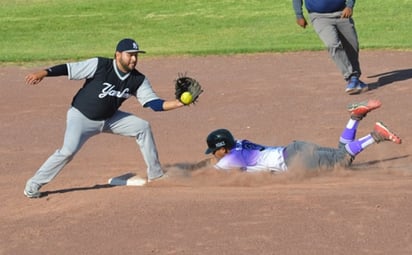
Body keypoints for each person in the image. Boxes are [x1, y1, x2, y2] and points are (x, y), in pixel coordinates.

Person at [24, 38, 188, 198]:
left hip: (110, 119)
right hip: (81, 117)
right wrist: (44, 73)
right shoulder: (100, 65)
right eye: (129, 54)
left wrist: (178, 103)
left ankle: (156, 175)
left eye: (136, 55)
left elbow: (154, 104)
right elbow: (69, 68)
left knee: (142, 127)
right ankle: (33, 185)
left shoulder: (138, 79)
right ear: (118, 55)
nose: (134, 59)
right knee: (67, 152)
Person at [202, 100, 401, 172]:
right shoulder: (238, 144)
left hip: (298, 160)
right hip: (295, 149)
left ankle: (375, 135)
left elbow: (209, 174)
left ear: (223, 148)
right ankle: (355, 117)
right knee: (341, 153)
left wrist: (171, 175)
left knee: (342, 161)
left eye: (214, 151)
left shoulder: (231, 159)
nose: (213, 154)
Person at [292, 0, 367, 95]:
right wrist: (299, 14)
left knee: (352, 45)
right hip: (319, 17)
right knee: (332, 44)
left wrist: (349, 6)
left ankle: (355, 78)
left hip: (342, 13)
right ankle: (351, 77)